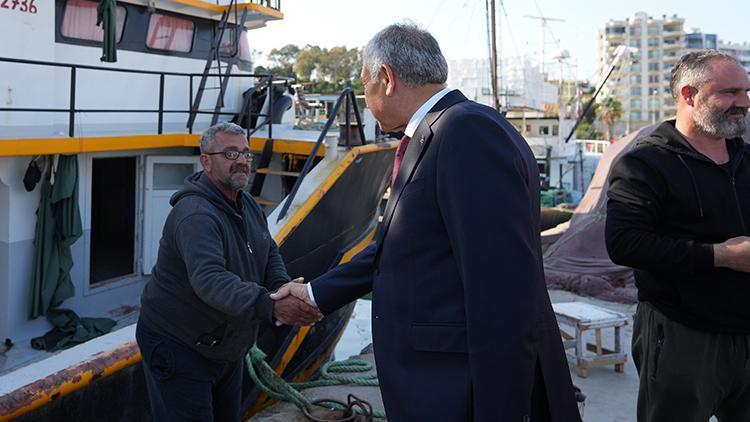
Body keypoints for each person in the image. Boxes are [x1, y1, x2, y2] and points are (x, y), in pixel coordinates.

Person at [271, 23, 581, 421]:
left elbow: (502, 287)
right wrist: (315, 295)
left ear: (386, 79)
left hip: (457, 390)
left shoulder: (465, 132)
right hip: (437, 384)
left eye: (365, 85)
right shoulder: (440, 132)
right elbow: (397, 247)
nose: (366, 100)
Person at [136, 122, 321, 421]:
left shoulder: (245, 202)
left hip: (224, 344)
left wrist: (281, 287)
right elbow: (210, 280)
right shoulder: (196, 215)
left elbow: (267, 248)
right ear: (206, 161)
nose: (242, 161)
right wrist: (271, 305)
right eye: (230, 153)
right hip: (179, 345)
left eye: (246, 153)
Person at [606, 50, 750, 421]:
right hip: (683, 336)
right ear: (689, 95)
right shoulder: (645, 165)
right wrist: (721, 255)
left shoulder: (747, 160)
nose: (744, 103)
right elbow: (624, 242)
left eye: (746, 92)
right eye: (730, 93)